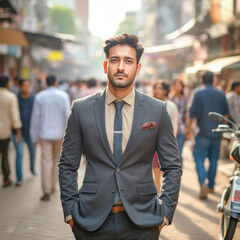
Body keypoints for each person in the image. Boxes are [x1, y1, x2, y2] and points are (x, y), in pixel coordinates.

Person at [59, 33, 182, 240]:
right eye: (115, 60)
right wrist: (70, 212)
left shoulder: (157, 110)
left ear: (138, 68)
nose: (121, 67)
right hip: (91, 221)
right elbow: (67, 165)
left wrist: (166, 213)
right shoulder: (81, 109)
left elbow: (172, 166)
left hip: (142, 221)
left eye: (129, 61)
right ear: (105, 66)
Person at [186, 71, 229, 199]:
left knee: (199, 158)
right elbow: (225, 115)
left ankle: (202, 182)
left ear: (202, 80)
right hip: (217, 133)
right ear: (213, 80)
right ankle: (211, 185)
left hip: (202, 132)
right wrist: (224, 131)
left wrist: (189, 130)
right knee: (214, 160)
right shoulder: (221, 94)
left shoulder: (197, 93)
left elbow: (192, 114)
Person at [30, 75, 70, 201]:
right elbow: (67, 116)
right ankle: (53, 186)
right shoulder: (63, 96)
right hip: (59, 134)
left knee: (45, 161)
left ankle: (46, 190)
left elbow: (35, 118)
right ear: (56, 82)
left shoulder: (40, 96)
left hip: (44, 134)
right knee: (57, 160)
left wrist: (34, 137)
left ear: (46, 83)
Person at [152, 80, 179, 194]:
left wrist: (170, 143)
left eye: (160, 88)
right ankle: (157, 194)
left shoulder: (171, 106)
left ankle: (166, 194)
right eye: (156, 88)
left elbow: (174, 125)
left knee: (166, 170)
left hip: (166, 143)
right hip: (152, 142)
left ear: (165, 90)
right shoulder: (150, 104)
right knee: (156, 170)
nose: (157, 91)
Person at [12, 79, 36, 187]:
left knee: (33, 153)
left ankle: (32, 168)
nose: (26, 88)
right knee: (19, 154)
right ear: (20, 87)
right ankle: (19, 179)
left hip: (30, 133)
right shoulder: (15, 99)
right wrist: (17, 131)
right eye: (24, 86)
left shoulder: (34, 99)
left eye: (28, 86)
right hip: (17, 133)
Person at [0, 76, 22, 187]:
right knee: (4, 155)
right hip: (4, 132)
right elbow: (15, 116)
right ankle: (6, 179)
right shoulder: (11, 96)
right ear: (7, 84)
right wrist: (18, 131)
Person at [169, 79, 187, 162]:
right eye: (175, 85)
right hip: (171, 129)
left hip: (181, 128)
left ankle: (178, 171)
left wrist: (188, 129)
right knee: (172, 152)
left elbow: (187, 114)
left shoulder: (185, 99)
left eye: (179, 85)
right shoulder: (170, 98)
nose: (177, 87)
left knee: (179, 152)